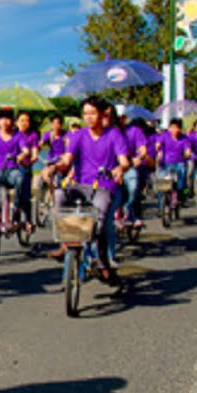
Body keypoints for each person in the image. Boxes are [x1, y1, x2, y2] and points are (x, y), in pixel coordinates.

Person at [50, 96, 130, 282]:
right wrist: (54, 167)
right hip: (80, 185)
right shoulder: (78, 135)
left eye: (92, 113)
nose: (88, 117)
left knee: (99, 223)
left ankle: (103, 262)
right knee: (61, 196)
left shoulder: (114, 134)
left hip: (103, 187)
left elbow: (124, 161)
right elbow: (67, 160)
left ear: (103, 114)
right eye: (85, 113)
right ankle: (66, 245)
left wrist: (120, 168)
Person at [153, 117, 193, 198]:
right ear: (170, 128)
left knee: (183, 182)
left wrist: (188, 153)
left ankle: (184, 194)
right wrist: (158, 149)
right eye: (174, 127)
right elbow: (157, 144)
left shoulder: (184, 138)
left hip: (180, 163)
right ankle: (161, 205)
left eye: (178, 127)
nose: (176, 130)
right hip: (166, 163)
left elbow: (187, 149)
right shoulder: (165, 135)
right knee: (162, 185)